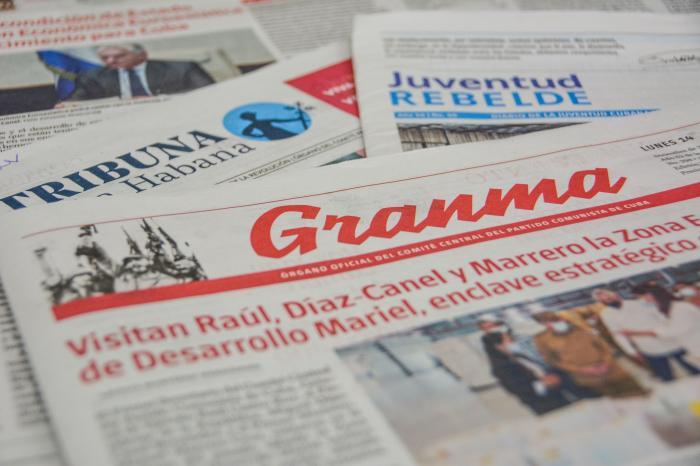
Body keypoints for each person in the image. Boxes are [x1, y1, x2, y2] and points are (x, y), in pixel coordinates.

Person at [595, 286, 699, 382]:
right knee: (666, 378)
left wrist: (672, 331)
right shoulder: (606, 314)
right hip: (648, 349)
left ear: (616, 295)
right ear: (601, 302)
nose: (607, 300)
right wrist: (632, 352)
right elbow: (618, 334)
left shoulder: (640, 303)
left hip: (671, 342)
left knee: (694, 368)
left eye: (608, 297)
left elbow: (661, 315)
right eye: (603, 300)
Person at [477, 315, 576, 415]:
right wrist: (544, 383)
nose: (511, 343)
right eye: (508, 341)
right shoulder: (501, 367)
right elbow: (519, 389)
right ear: (498, 346)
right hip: (546, 404)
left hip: (558, 393)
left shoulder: (518, 356)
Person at [533, 312, 646, 398]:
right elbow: (553, 361)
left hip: (612, 370)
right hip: (589, 380)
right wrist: (583, 370)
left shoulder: (579, 329)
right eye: (552, 321)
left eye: (558, 319)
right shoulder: (542, 340)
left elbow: (603, 345)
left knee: (639, 394)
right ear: (546, 325)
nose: (559, 322)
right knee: (618, 403)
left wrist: (606, 362)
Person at [65, 44, 214, 102]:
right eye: (105, 58)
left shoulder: (182, 68)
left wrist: (158, 99)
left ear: (142, 55)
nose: (110, 61)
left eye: (119, 56)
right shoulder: (92, 76)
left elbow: (211, 91)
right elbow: (76, 100)